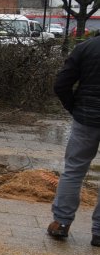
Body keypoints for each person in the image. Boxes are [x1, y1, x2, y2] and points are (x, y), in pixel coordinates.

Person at [47, 34, 100, 244]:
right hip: (85, 115)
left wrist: (75, 108)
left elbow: (61, 85)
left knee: (74, 170)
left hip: (86, 119)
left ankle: (61, 223)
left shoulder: (86, 48)